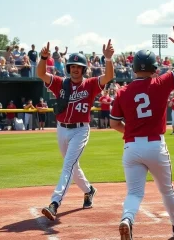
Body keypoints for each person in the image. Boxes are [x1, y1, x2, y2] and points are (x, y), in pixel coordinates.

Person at [110, 25, 174, 240]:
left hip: (131, 147)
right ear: (155, 67)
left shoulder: (122, 91)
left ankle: (127, 218)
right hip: (156, 145)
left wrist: (129, 133)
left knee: (134, 193)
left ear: (134, 67)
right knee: (166, 189)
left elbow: (113, 123)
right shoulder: (160, 82)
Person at [37, 40, 114, 221]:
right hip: (62, 129)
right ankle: (89, 190)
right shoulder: (60, 83)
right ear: (68, 67)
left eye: (79, 67)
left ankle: (54, 203)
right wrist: (43, 57)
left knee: (68, 166)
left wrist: (108, 58)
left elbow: (108, 76)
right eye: (72, 66)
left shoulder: (90, 84)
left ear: (83, 69)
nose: (75, 69)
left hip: (80, 130)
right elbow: (40, 72)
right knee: (73, 166)